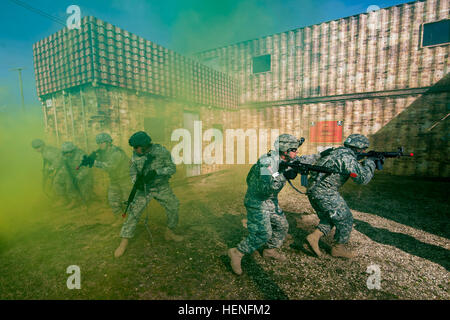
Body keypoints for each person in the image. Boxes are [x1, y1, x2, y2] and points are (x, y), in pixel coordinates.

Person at [228, 134, 304, 275]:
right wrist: (284, 176)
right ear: (285, 150)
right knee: (263, 233)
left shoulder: (285, 158)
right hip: (257, 201)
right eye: (294, 149)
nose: (297, 152)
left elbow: (301, 160)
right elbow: (265, 189)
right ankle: (237, 252)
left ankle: (269, 250)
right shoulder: (267, 162)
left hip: (270, 201)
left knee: (282, 226)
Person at [305, 134, 377, 259]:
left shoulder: (337, 152)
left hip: (314, 190)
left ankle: (314, 237)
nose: (364, 151)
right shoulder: (347, 158)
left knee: (332, 217)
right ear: (358, 148)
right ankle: (338, 248)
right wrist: (371, 163)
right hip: (325, 192)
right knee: (346, 218)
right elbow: (362, 179)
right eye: (363, 149)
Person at [114, 131, 183, 258]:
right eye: (133, 148)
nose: (134, 150)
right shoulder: (136, 155)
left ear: (145, 145)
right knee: (133, 213)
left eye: (136, 147)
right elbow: (133, 171)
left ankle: (169, 232)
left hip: (161, 187)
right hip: (144, 189)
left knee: (174, 206)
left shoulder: (161, 152)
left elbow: (172, 168)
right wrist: (136, 182)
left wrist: (157, 172)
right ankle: (124, 242)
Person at [85, 133, 131, 216]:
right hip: (114, 180)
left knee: (127, 201)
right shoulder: (103, 152)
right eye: (98, 143)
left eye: (102, 143)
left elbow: (110, 167)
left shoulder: (116, 153)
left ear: (109, 142)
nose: (100, 145)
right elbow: (100, 159)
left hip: (125, 179)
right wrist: (89, 159)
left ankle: (131, 220)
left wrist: (94, 162)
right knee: (113, 201)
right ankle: (120, 218)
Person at [59, 142, 94, 209]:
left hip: (84, 174)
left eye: (70, 152)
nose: (68, 154)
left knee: (84, 187)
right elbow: (64, 166)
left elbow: (87, 169)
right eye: (66, 153)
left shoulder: (81, 155)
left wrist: (78, 177)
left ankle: (85, 202)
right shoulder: (64, 156)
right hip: (73, 173)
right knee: (69, 185)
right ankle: (73, 200)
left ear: (73, 150)